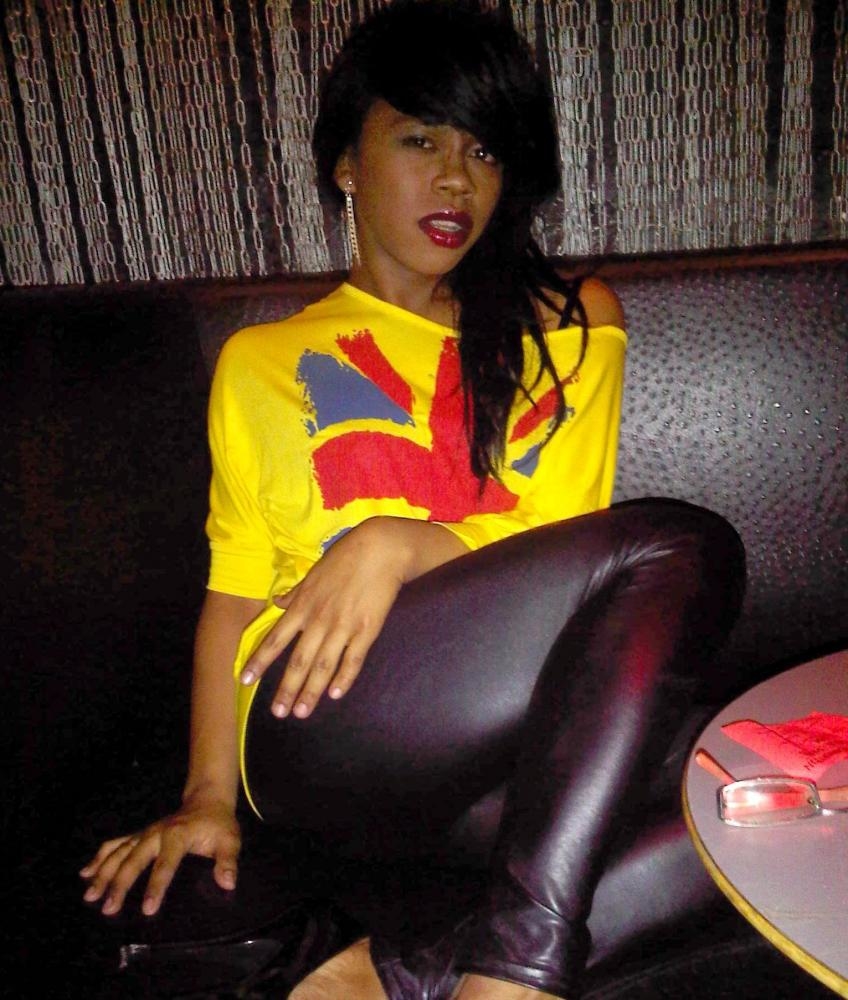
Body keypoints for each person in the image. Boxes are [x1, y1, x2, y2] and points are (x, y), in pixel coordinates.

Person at [81, 3, 744, 998]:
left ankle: (400, 976)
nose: (456, 180)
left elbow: (567, 540)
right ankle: (514, 977)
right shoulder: (263, 362)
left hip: (502, 728)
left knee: (778, 791)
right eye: (420, 140)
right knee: (681, 545)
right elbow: (235, 589)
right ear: (348, 163)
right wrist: (207, 795)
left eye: (483, 150)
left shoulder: (566, 323)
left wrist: (406, 542)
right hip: (315, 717)